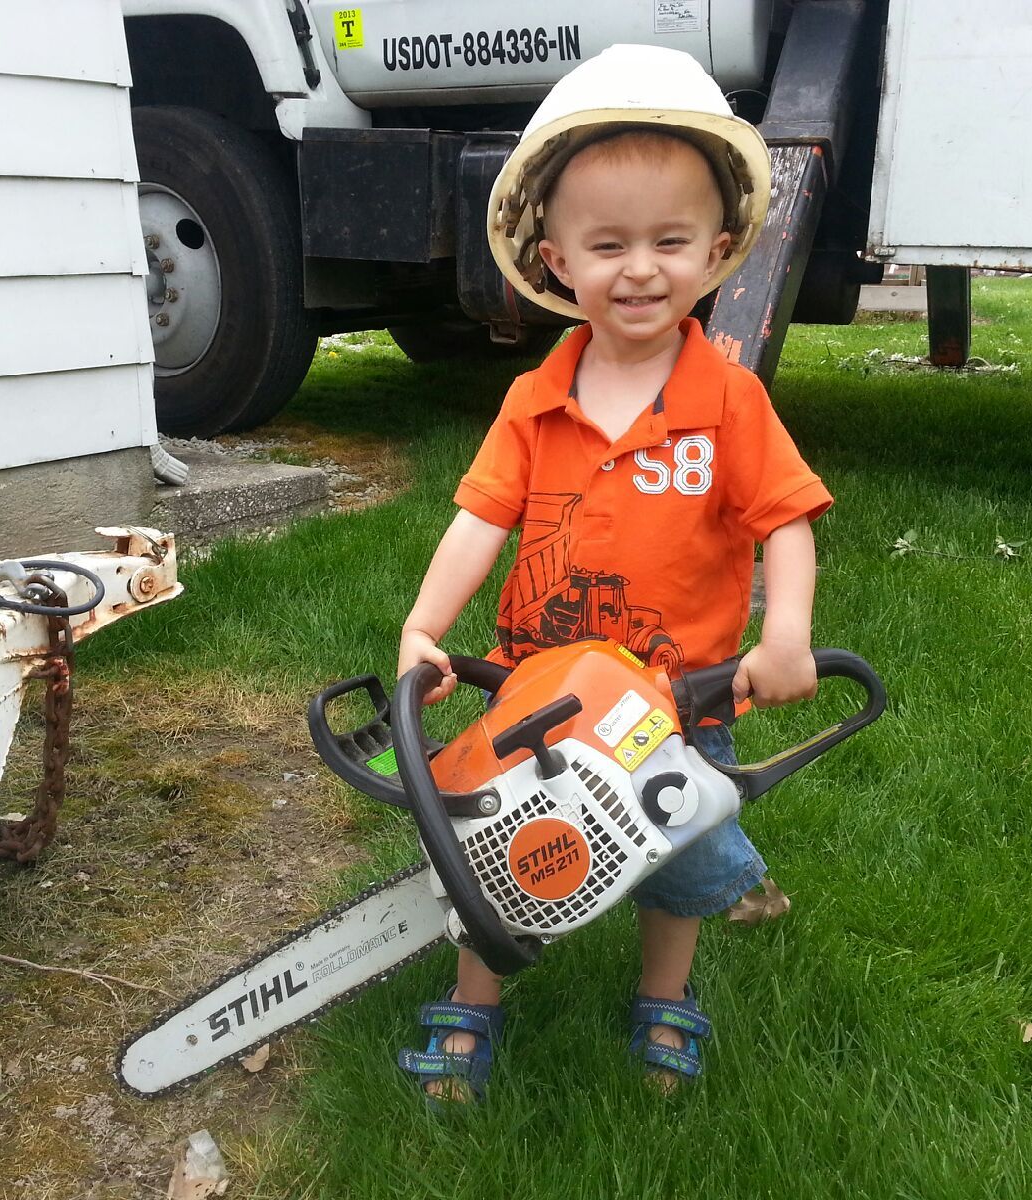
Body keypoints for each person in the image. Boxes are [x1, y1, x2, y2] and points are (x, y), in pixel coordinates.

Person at [394, 44, 833, 1102]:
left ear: (718, 249)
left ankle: (665, 996)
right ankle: (473, 1002)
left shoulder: (727, 401)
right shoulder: (531, 402)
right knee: (493, 839)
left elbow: (787, 520)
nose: (639, 268)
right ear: (554, 260)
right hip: (533, 691)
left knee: (668, 861)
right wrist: (423, 626)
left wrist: (786, 637)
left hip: (675, 698)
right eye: (608, 244)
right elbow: (477, 520)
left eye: (669, 241)